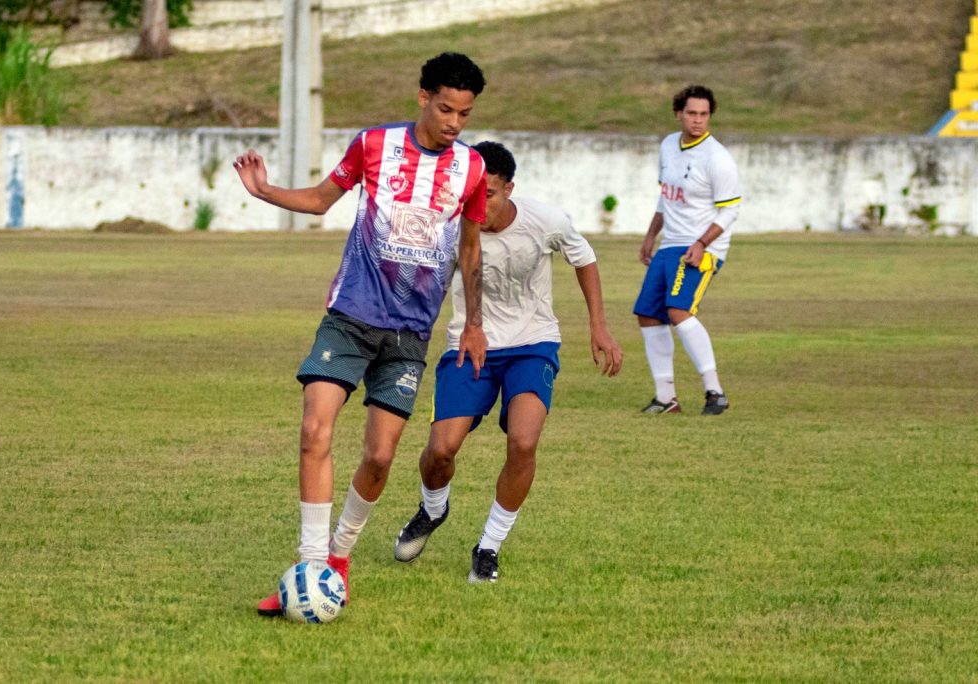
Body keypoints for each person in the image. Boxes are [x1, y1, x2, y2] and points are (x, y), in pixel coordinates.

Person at [232, 52, 489, 615]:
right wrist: (266, 191)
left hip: (409, 335)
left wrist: (473, 322)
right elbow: (323, 200)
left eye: (465, 114)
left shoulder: (470, 169)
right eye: (445, 108)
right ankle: (310, 566)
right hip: (349, 315)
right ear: (422, 97)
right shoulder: (374, 144)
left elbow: (470, 249)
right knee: (314, 431)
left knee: (378, 459)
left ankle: (339, 556)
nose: (453, 122)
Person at [392, 141, 623, 583]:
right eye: (472, 193)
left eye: (490, 195)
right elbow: (432, 284)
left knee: (523, 441)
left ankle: (488, 546)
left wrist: (599, 324)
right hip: (468, 343)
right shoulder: (452, 225)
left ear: (510, 189)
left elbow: (585, 258)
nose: (478, 205)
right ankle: (433, 509)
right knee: (441, 449)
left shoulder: (545, 220)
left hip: (532, 342)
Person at [633, 84, 741, 415]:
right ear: (679, 114)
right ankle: (666, 398)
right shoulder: (668, 145)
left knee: (679, 310)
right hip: (670, 244)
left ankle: (715, 393)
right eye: (691, 113)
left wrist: (701, 243)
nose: (697, 120)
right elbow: (666, 196)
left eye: (704, 114)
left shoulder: (717, 158)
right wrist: (651, 235)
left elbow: (731, 210)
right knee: (649, 314)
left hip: (702, 247)